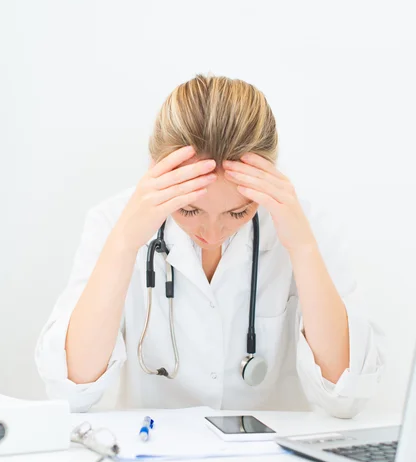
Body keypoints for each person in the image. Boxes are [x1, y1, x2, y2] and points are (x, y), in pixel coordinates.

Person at [35, 74, 384, 416]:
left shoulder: (303, 227)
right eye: (189, 209)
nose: (212, 233)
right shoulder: (113, 222)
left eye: (237, 212)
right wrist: (125, 244)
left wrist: (303, 249)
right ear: (156, 171)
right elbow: (73, 388)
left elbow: (346, 394)